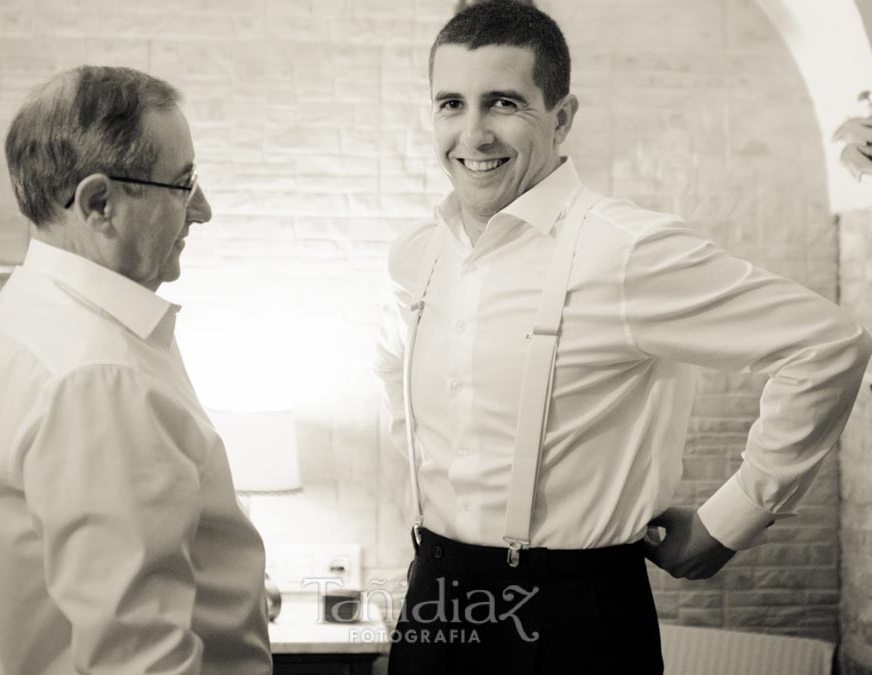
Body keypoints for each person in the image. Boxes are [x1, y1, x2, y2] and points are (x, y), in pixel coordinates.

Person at [374, 3, 872, 673]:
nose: (473, 132)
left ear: (561, 116)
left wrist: (733, 518)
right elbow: (401, 393)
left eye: (503, 103)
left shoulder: (628, 251)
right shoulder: (415, 255)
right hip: (435, 598)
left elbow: (827, 343)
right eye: (450, 104)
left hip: (575, 616)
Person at [0, 66, 273, 675]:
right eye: (183, 184)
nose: (204, 210)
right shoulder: (100, 377)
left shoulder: (21, 317)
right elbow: (139, 660)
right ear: (99, 204)